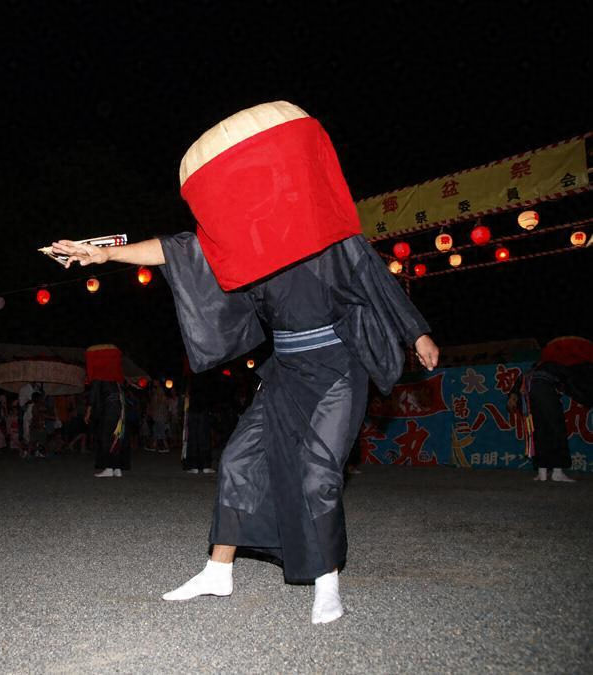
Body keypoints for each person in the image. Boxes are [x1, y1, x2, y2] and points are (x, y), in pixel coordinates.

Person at [52, 102, 439, 623]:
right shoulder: (246, 242)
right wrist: (105, 254)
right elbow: (176, 250)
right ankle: (218, 572)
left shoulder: (322, 230)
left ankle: (327, 581)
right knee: (237, 462)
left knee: (317, 474)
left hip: (336, 369)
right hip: (285, 373)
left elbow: (375, 278)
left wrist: (416, 332)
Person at [509, 336, 593, 483]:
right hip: (541, 398)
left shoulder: (542, 366)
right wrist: (586, 399)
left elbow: (522, 381)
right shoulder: (548, 367)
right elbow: (572, 385)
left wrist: (513, 396)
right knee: (553, 430)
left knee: (542, 432)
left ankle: (545, 471)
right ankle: (554, 471)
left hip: (536, 399)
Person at [85, 344, 130, 477]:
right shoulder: (117, 378)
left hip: (109, 408)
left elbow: (93, 395)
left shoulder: (100, 374)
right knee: (117, 435)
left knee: (106, 435)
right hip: (120, 409)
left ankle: (109, 467)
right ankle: (117, 468)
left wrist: (88, 411)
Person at [182, 373, 213, 474]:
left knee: (195, 437)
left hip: (196, 409)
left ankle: (195, 465)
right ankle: (204, 465)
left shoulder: (192, 376)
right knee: (202, 436)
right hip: (201, 409)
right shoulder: (207, 374)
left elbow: (188, 394)